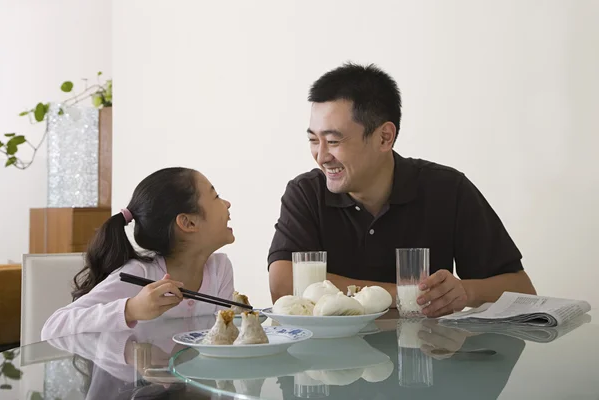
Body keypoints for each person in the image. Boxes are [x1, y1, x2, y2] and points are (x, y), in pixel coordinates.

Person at [268, 62, 536, 317]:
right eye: (314, 140)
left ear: (384, 137)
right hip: (331, 362)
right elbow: (284, 287)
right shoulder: (306, 193)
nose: (321, 155)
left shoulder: (446, 189)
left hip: (425, 358)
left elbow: (523, 291)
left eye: (334, 141)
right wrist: (405, 296)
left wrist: (464, 291)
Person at [41, 167, 235, 340]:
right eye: (216, 196)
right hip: (130, 378)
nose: (227, 203)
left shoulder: (220, 268)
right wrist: (131, 309)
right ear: (188, 223)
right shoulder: (139, 274)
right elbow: (54, 327)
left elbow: (221, 337)